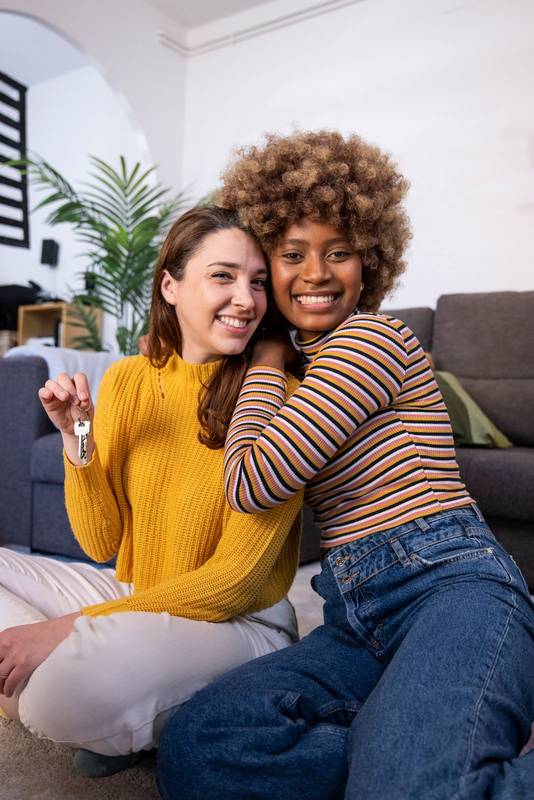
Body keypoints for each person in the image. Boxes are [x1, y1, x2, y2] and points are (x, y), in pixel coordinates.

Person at [156, 131, 534, 800]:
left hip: (451, 587)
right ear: (263, 264)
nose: (317, 273)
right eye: (291, 253)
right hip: (354, 618)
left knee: (410, 788)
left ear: (371, 260)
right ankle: (414, 746)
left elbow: (253, 480)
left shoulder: (370, 339)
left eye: (340, 252)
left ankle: (421, 755)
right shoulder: (304, 377)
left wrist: (267, 355)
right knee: (199, 745)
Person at [0, 205, 303, 778]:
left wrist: (70, 628)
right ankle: (136, 707)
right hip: (144, 593)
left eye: (258, 282)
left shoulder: (274, 393)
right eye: (223, 276)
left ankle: (114, 698)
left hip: (242, 621)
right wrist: (75, 438)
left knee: (54, 695)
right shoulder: (130, 379)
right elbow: (99, 540)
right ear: (171, 284)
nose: (246, 298)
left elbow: (234, 580)